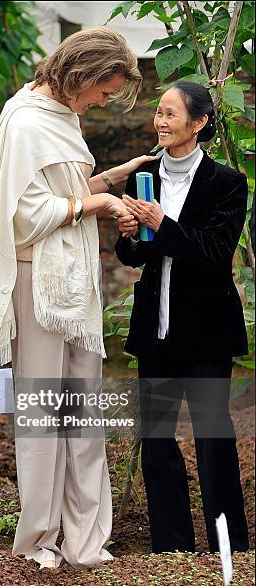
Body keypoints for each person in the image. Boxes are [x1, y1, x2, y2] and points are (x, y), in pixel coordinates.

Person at [0, 26, 155, 569]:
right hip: (39, 284)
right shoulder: (28, 121)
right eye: (104, 91)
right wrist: (100, 207)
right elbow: (27, 218)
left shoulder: (61, 117)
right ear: (83, 75)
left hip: (73, 286)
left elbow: (64, 195)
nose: (103, 102)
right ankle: (37, 540)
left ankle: (83, 538)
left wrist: (113, 180)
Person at [115, 81, 249, 554]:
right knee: (156, 438)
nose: (161, 122)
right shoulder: (144, 176)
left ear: (199, 122)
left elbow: (214, 253)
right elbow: (132, 255)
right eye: (159, 113)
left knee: (213, 437)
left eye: (171, 114)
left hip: (207, 331)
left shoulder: (227, 183)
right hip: (157, 328)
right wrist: (131, 233)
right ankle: (170, 544)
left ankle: (225, 542)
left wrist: (160, 225)